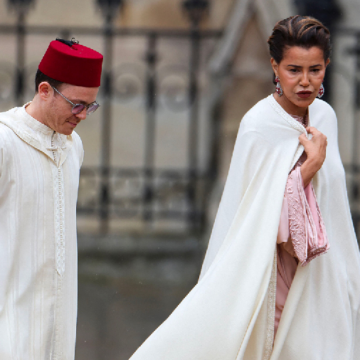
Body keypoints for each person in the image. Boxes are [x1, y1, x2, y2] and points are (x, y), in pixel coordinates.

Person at [129, 16, 360, 359]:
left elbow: (335, 207)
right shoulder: (258, 125)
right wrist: (308, 168)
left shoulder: (325, 117)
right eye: (294, 69)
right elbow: (261, 219)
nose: (305, 81)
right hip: (273, 276)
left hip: (323, 273)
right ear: (275, 67)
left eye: (315, 70)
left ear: (327, 65)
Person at [0, 38, 103, 359]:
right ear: (45, 90)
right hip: (9, 312)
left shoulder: (73, 146)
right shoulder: (4, 141)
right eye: (77, 104)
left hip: (60, 314)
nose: (83, 115)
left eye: (90, 105)